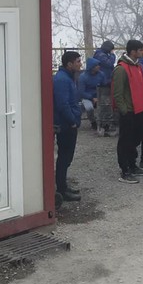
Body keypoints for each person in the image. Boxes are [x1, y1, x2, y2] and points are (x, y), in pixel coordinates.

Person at [112, 40, 143, 183]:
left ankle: (132, 164)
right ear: (133, 51)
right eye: (140, 50)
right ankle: (125, 170)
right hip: (129, 111)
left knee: (135, 140)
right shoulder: (121, 69)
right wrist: (124, 111)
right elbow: (117, 93)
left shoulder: (138, 67)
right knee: (125, 141)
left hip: (139, 110)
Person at [53, 51, 83, 202]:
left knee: (67, 158)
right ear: (69, 64)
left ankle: (63, 186)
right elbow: (63, 104)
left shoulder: (68, 77)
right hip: (65, 125)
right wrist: (72, 121)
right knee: (64, 158)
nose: (80, 64)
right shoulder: (62, 80)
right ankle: (62, 190)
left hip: (70, 123)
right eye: (77, 61)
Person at [93, 40, 117, 136]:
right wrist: (112, 55)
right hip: (103, 83)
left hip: (107, 81)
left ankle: (106, 125)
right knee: (104, 105)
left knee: (108, 104)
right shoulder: (100, 54)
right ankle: (102, 126)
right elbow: (109, 63)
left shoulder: (102, 54)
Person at [77, 57, 102, 131]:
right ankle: (93, 122)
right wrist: (92, 98)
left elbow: (104, 86)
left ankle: (103, 122)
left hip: (99, 96)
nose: (99, 66)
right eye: (97, 65)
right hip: (87, 97)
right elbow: (81, 92)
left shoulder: (101, 75)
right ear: (92, 67)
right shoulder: (83, 77)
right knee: (89, 108)